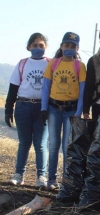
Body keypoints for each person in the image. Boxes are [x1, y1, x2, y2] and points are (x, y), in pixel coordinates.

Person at [41, 32, 86, 190]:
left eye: (73, 46)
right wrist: (43, 107)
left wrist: (78, 112)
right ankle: (51, 180)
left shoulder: (79, 66)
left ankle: (66, 182)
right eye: (66, 45)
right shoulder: (54, 63)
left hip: (71, 110)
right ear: (61, 46)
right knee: (53, 144)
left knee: (67, 147)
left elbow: (82, 91)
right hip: (54, 108)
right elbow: (46, 87)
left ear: (77, 48)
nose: (69, 48)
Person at [5, 33, 50, 187]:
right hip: (23, 106)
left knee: (41, 144)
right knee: (24, 142)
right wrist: (8, 109)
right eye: (35, 45)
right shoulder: (23, 64)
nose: (38, 48)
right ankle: (19, 174)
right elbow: (13, 88)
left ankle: (41, 176)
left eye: (41, 45)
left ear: (46, 47)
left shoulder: (50, 64)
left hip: (42, 108)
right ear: (29, 47)